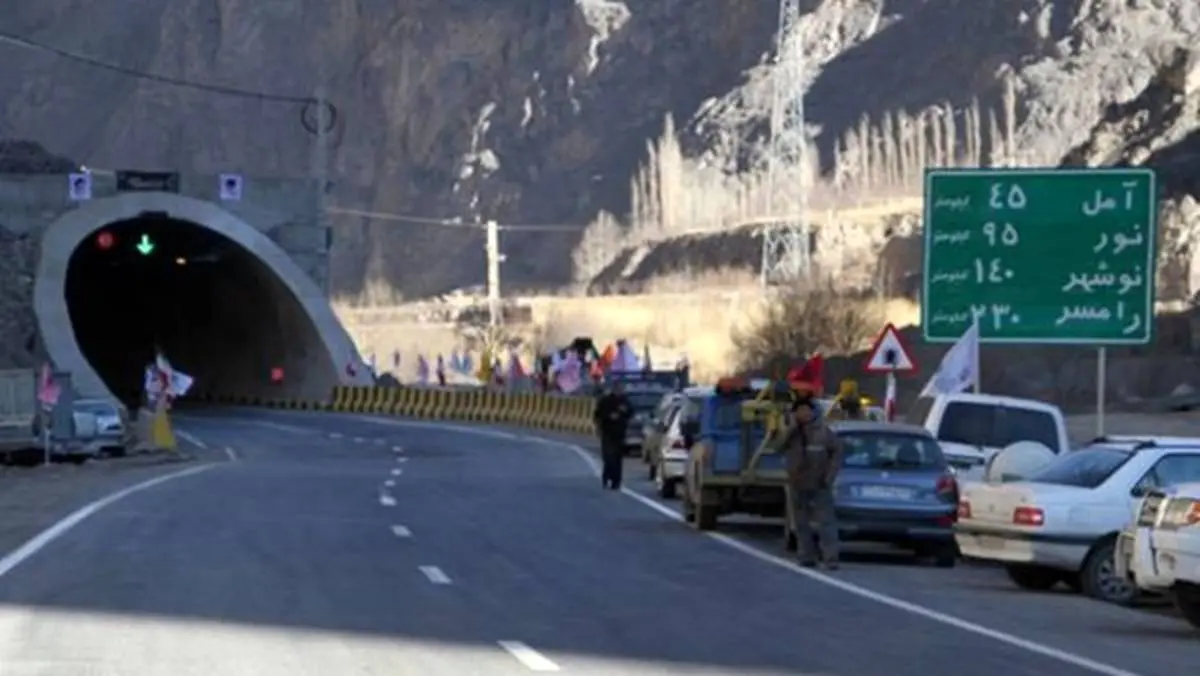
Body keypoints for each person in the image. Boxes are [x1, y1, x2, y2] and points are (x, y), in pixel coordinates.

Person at [774, 387, 844, 569]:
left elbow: (837, 454)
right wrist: (791, 429)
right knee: (801, 523)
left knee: (825, 522)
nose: (803, 414)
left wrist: (829, 478)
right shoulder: (793, 433)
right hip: (797, 482)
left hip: (819, 483)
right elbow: (778, 447)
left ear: (812, 412)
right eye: (799, 411)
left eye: (806, 410)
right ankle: (806, 556)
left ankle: (830, 558)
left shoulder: (823, 432)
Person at [593, 381, 633, 490]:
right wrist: (607, 417)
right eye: (617, 389)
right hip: (607, 432)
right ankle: (607, 476)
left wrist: (623, 412)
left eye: (621, 389)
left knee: (618, 458)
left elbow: (630, 412)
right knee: (608, 457)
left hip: (620, 434)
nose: (619, 391)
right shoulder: (606, 401)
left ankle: (616, 481)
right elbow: (598, 414)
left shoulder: (625, 401)